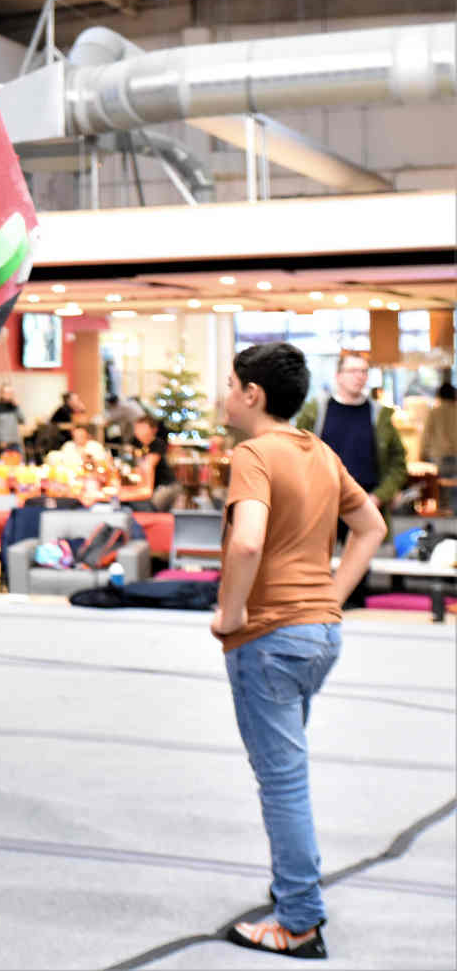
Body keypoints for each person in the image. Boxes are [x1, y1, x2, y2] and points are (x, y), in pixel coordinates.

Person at [213, 343, 386, 959]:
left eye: (230, 385)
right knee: (288, 773)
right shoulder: (320, 452)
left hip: (269, 636)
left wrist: (230, 612)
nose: (225, 395)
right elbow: (371, 527)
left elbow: (246, 543)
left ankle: (299, 919)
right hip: (316, 634)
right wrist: (330, 596)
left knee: (282, 783)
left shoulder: (254, 455)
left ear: (252, 396)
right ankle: (294, 892)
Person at [292, 352, 408, 513]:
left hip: (367, 504)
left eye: (364, 371)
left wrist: (380, 496)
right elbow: (295, 453)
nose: (359, 376)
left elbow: (398, 463)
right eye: (353, 371)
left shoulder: (379, 414)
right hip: (324, 505)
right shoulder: (316, 410)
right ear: (338, 375)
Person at [128, 414, 182, 511]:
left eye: (143, 428)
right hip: (155, 486)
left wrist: (145, 490)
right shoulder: (140, 446)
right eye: (137, 428)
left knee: (149, 508)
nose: (138, 431)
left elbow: (148, 466)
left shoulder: (157, 444)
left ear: (153, 430)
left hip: (166, 486)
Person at [420, 381, 457, 485]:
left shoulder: (434, 412)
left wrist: (422, 454)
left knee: (439, 491)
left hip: (437, 458)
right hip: (455, 457)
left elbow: (426, 436)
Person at [0, 384, 25, 455]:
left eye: (11, 393)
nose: (10, 395)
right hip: (3, 444)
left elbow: (22, 420)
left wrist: (17, 407)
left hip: (16, 442)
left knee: (18, 464)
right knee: (4, 465)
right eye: (7, 393)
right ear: (1, 394)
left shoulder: (14, 407)